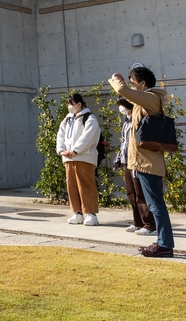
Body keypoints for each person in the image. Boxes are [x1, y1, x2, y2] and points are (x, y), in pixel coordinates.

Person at [109, 66, 174, 258]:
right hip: (141, 162)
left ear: (143, 84)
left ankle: (165, 244)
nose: (131, 87)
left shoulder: (153, 98)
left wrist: (115, 80)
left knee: (155, 205)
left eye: (133, 83)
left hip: (148, 162)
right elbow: (127, 96)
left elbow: (122, 91)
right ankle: (163, 243)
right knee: (155, 204)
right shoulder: (143, 100)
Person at [55, 93, 101, 227]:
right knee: (72, 185)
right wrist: (62, 150)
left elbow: (88, 137)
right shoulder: (67, 120)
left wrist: (75, 150)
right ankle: (77, 212)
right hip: (69, 158)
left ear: (79, 104)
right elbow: (60, 135)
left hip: (84, 157)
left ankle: (91, 214)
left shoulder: (89, 118)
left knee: (85, 184)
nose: (69, 107)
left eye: (71, 104)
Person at [113, 98, 156, 236]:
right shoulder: (126, 121)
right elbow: (124, 143)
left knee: (140, 194)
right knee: (131, 193)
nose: (121, 109)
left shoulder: (137, 120)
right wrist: (119, 159)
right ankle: (137, 222)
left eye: (122, 106)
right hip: (127, 161)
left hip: (137, 162)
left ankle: (149, 224)